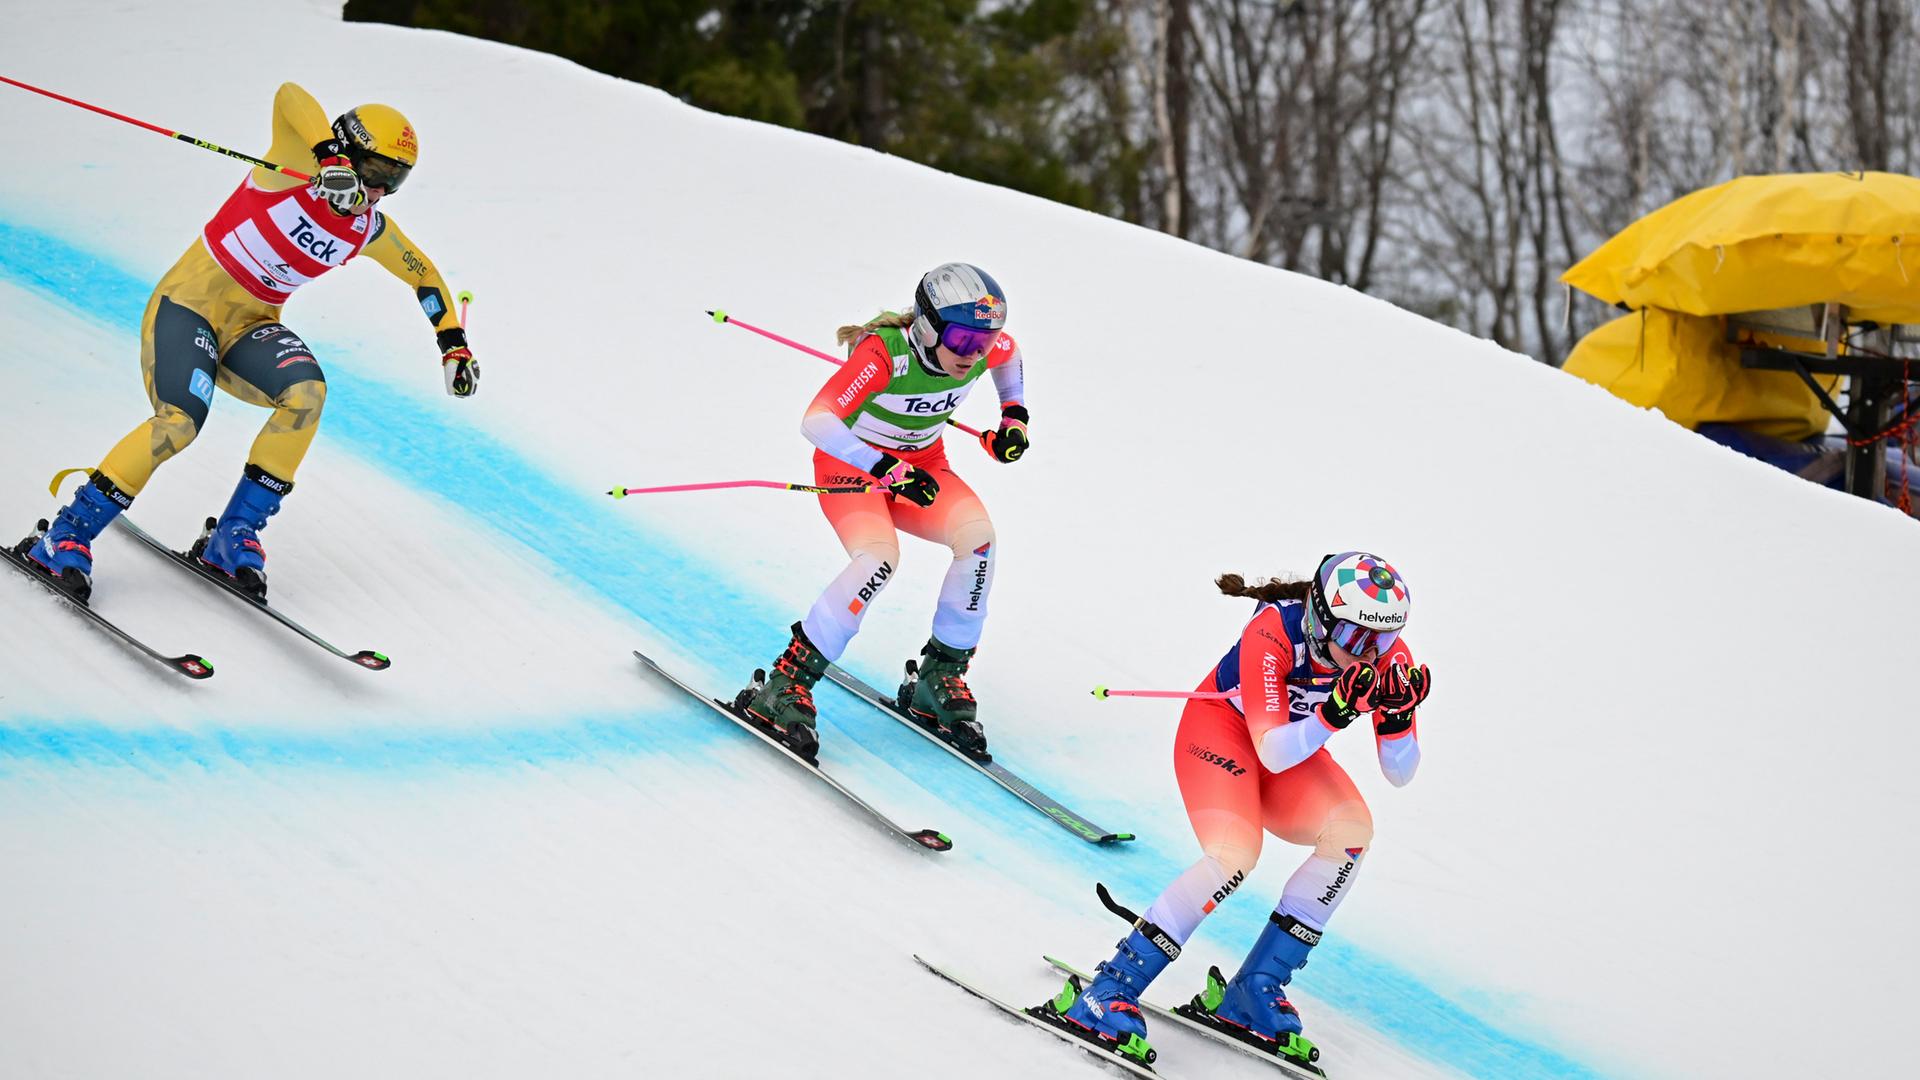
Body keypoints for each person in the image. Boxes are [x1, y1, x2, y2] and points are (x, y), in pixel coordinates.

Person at [19, 82, 477, 602]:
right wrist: (326, 158)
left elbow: (424, 275)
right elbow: (290, 96)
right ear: (347, 153)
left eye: (394, 182)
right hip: (186, 308)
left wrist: (453, 344)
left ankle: (233, 534)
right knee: (180, 423)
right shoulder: (289, 167)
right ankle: (66, 535)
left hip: (247, 329)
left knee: (306, 396)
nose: (376, 192)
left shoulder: (366, 229)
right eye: (374, 174)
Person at [1035, 552, 1432, 1070]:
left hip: (1294, 751)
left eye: (1381, 642)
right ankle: (1109, 989)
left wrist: (1399, 715)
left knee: (1352, 833)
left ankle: (1254, 990)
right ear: (1321, 618)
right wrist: (1335, 712)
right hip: (1222, 733)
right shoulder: (1274, 631)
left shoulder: (1386, 658)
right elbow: (1271, 749)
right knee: (1234, 854)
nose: (1371, 656)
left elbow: (1400, 772)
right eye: (1359, 640)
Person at [737, 262, 1029, 761]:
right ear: (928, 326)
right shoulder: (884, 355)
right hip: (852, 469)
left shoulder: (985, 349)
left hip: (922, 467)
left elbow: (1009, 355)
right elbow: (817, 420)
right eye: (961, 340)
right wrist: (884, 466)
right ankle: (785, 683)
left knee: (979, 540)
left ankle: (939, 679)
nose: (973, 354)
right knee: (878, 559)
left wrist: (1014, 416)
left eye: (982, 341)